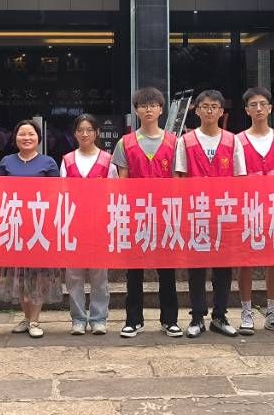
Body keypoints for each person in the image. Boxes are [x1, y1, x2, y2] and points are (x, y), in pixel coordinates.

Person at [112, 86, 181, 338]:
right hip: (136, 214)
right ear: (137, 110)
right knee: (134, 270)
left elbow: (177, 180)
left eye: (153, 105)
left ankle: (170, 320)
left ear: (161, 109)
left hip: (165, 214)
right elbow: (122, 181)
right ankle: (133, 319)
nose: (148, 109)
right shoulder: (125, 143)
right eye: (143, 106)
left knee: (167, 269)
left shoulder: (174, 142)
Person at [174, 90, 242, 338]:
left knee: (223, 267)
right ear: (197, 110)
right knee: (196, 267)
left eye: (214, 106)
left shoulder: (233, 141)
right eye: (205, 106)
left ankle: (220, 316)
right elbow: (179, 177)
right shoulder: (186, 141)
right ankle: (196, 317)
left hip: (224, 214)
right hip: (196, 213)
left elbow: (240, 178)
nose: (210, 111)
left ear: (222, 111)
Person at [234, 87, 274, 336]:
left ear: (271, 108)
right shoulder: (238, 141)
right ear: (246, 110)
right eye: (253, 105)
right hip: (248, 209)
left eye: (263, 104)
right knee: (245, 262)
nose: (259, 109)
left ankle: (272, 312)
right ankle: (246, 312)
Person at [0, 119, 61, 338]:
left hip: (39, 225)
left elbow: (56, 194)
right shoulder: (6, 162)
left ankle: (35, 320)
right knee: (19, 274)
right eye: (22, 134)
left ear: (38, 138)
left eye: (31, 134)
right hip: (14, 225)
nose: (26, 138)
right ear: (15, 138)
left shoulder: (48, 163)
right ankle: (25, 316)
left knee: (38, 274)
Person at [61, 114, 117, 336]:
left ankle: (98, 318)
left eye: (89, 130)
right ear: (75, 134)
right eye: (80, 130)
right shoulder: (67, 160)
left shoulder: (107, 160)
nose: (84, 134)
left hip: (99, 223)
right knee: (73, 275)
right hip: (74, 223)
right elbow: (62, 193)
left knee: (99, 275)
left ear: (97, 133)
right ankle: (77, 318)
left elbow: (113, 192)